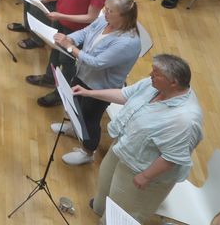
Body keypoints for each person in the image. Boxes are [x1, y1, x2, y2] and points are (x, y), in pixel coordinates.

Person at [74, 54, 203, 223]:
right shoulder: (154, 85)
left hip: (141, 169)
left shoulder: (185, 120)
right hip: (123, 146)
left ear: (173, 83)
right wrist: (89, 93)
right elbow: (125, 95)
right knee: (105, 186)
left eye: (156, 73)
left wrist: (146, 176)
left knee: (121, 211)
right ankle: (100, 208)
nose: (150, 75)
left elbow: (172, 157)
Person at [52, 0, 142, 167]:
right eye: (105, 8)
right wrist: (71, 38)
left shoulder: (128, 42)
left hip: (100, 86)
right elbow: (86, 32)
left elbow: (97, 63)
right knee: (76, 104)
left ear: (123, 16)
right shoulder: (104, 20)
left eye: (110, 11)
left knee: (90, 119)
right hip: (83, 74)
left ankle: (88, 152)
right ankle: (74, 129)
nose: (104, 12)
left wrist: (70, 47)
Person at [26, 0, 111, 107]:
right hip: (61, 20)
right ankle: (49, 78)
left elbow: (91, 17)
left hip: (74, 31)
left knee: (67, 62)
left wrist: (61, 15)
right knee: (54, 52)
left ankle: (60, 94)